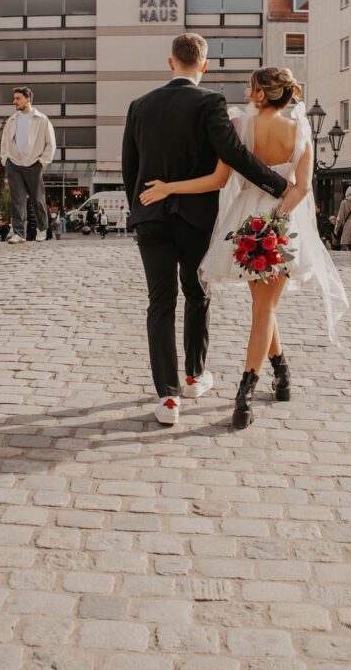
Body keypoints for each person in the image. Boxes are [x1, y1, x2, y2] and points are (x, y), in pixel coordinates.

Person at [138, 60, 348, 429]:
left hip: (247, 220)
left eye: (251, 86)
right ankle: (279, 371)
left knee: (263, 306)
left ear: (260, 91)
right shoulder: (301, 128)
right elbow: (302, 186)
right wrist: (277, 219)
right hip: (286, 222)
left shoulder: (239, 124)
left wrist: (171, 187)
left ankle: (246, 391)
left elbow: (219, 178)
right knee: (263, 306)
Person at [122, 34, 292, 426]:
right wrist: (279, 186)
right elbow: (233, 154)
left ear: (171, 63)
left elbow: (131, 167)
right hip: (195, 219)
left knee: (160, 303)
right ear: (205, 65)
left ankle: (167, 398)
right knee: (197, 292)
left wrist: (138, 212)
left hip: (151, 215)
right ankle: (195, 377)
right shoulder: (210, 102)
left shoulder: (139, 107)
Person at [0, 87, 56, 245]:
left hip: (34, 164)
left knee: (37, 198)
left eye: (18, 98)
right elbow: (4, 143)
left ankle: (42, 228)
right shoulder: (12, 120)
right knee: (17, 199)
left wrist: (42, 162)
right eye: (14, 98)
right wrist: (6, 160)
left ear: (28, 99)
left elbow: (50, 143)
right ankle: (19, 233)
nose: (14, 102)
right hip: (14, 164)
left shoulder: (42, 119)